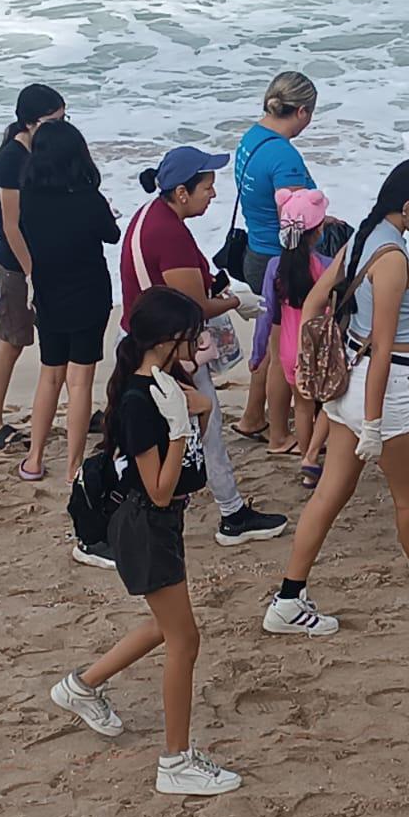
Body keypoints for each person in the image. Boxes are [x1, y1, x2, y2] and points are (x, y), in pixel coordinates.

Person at [263, 159, 409, 636]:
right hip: (379, 391)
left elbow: (312, 305)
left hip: (347, 380)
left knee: (331, 492)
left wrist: (314, 366)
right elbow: (385, 350)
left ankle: (288, 598)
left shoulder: (360, 240)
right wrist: (373, 424)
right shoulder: (390, 260)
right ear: (408, 206)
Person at [48, 286, 243, 796]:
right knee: (185, 639)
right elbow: (157, 491)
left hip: (161, 525)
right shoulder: (141, 403)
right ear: (167, 339)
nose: (200, 342)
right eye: (192, 335)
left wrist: (193, 410)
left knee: (166, 627)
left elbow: (196, 433)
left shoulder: (164, 383)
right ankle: (175, 761)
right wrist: (179, 431)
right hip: (146, 526)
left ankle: (81, 686)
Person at [122, 146, 288, 545]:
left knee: (137, 436)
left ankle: (126, 508)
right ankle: (232, 514)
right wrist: (237, 303)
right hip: (167, 353)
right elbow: (193, 307)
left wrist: (221, 284)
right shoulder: (170, 234)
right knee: (206, 426)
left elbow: (195, 278)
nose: (213, 193)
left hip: (139, 339)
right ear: (182, 192)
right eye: (207, 186)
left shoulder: (151, 215)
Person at [15, 120, 120, 485]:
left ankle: (34, 457)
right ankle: (74, 466)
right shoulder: (87, 198)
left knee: (50, 375)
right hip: (89, 293)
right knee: (79, 381)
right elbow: (111, 233)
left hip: (48, 293)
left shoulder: (28, 199)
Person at [233, 72, 319, 450]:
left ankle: (253, 416)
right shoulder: (284, 155)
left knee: (267, 341)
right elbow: (296, 218)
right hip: (279, 259)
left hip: (255, 249)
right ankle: (280, 434)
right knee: (284, 350)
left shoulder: (251, 138)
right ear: (301, 111)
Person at [0, 84, 66, 451]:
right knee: (12, 343)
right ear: (30, 122)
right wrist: (33, 274)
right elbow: (10, 226)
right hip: (16, 268)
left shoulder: (42, 150)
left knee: (58, 342)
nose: (60, 128)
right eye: (53, 121)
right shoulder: (12, 159)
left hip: (43, 260)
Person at [250, 189, 334, 489]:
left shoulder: (275, 268)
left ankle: (305, 457)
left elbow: (266, 313)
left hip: (288, 350)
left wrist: (258, 353)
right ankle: (316, 452)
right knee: (327, 403)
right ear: (318, 229)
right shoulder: (326, 267)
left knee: (301, 405)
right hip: (318, 346)